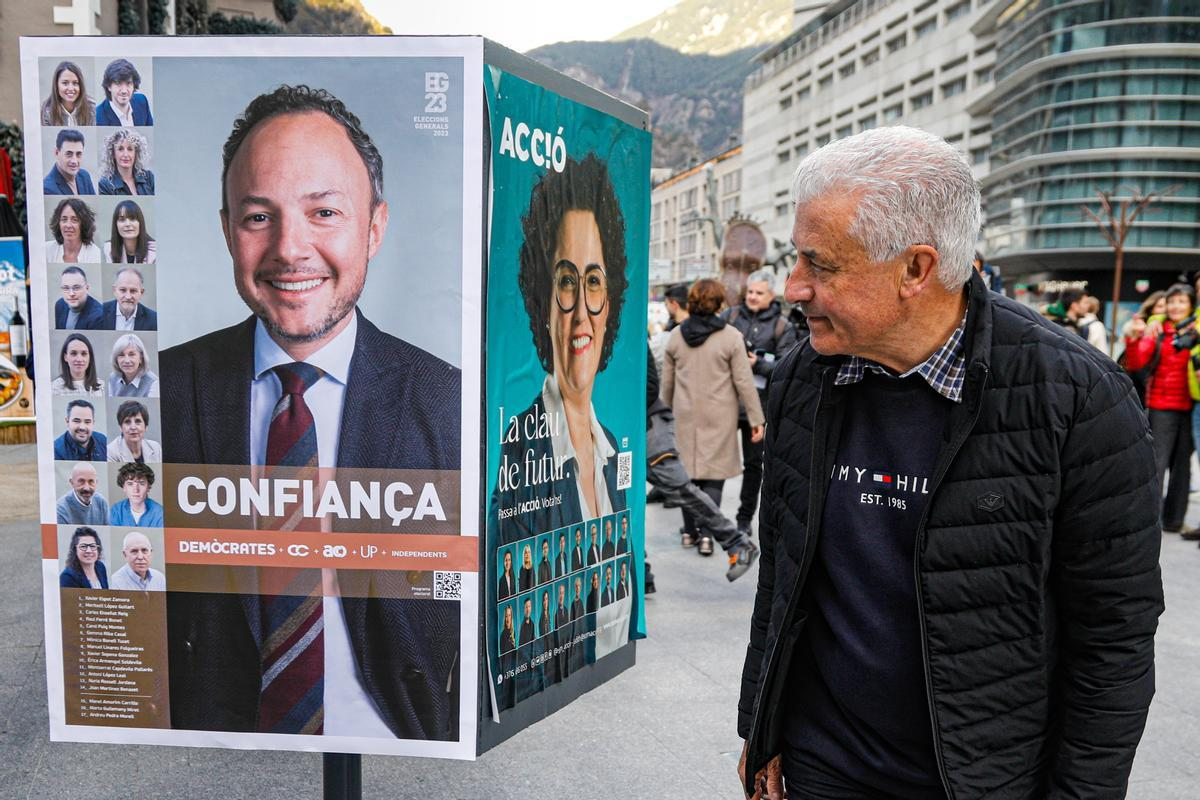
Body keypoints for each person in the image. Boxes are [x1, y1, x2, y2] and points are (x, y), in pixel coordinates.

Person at [738, 126, 1163, 800]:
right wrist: (760, 729)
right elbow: (784, 578)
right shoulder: (802, 380)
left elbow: (1113, 642)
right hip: (821, 768)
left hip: (978, 783)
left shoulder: (1078, 399)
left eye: (820, 264)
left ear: (916, 269)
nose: (793, 287)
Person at [161, 85, 461, 740]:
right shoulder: (156, 395)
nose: (290, 249)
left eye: (324, 211)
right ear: (225, 230)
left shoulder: (450, 402)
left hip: (398, 753)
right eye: (258, 217)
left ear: (375, 226)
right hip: (210, 764)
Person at [490, 153, 631, 549]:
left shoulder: (612, 447)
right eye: (567, 282)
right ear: (543, 302)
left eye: (595, 282)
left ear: (611, 300)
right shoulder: (521, 448)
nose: (583, 312)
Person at [662, 278, 765, 556]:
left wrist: (662, 418)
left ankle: (689, 533)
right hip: (720, 416)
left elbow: (667, 385)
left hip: (684, 416)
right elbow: (745, 382)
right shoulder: (732, 337)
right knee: (713, 478)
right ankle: (707, 536)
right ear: (720, 304)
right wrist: (757, 419)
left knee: (688, 477)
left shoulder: (676, 336)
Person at [646, 341, 758, 581]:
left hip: (650, 424)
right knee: (622, 498)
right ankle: (640, 572)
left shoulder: (634, 329)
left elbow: (653, 387)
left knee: (679, 488)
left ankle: (736, 543)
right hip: (646, 422)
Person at [722, 269, 798, 536]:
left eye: (758, 293)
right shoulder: (729, 317)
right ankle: (710, 521)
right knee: (716, 461)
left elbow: (787, 367)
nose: (752, 297)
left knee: (754, 467)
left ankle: (744, 519)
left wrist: (759, 364)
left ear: (771, 294)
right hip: (725, 404)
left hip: (760, 408)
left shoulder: (782, 326)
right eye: (750, 292)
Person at [1124, 282, 1195, 534]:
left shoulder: (1195, 329)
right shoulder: (1158, 329)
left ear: (1191, 305)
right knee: (1156, 464)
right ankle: (1147, 520)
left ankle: (1174, 521)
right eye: (1172, 301)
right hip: (1162, 405)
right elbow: (1137, 361)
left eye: (1182, 302)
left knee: (1183, 469)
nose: (1176, 306)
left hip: (1191, 407)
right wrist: (1133, 337)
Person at [95, 59, 154, 126]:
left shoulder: (142, 101)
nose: (124, 91)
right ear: (109, 86)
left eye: (128, 83)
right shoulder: (98, 117)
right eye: (118, 83)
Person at [98, 128, 155, 196]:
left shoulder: (148, 177)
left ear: (136, 153)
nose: (125, 154)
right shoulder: (105, 185)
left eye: (130, 149)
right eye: (120, 149)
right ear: (113, 154)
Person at [45, 198, 102, 264]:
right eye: (64, 220)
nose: (68, 225)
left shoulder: (95, 253)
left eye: (74, 220)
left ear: (83, 224)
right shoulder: (46, 250)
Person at [108, 461, 164, 527]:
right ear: (124, 487)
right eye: (130, 484)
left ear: (148, 487)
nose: (136, 490)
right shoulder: (116, 510)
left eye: (141, 483)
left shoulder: (160, 512)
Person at [41, 61, 95, 127]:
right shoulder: (47, 111)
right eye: (65, 83)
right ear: (56, 85)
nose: (71, 88)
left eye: (75, 83)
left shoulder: (92, 108)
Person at [106, 333, 159, 398]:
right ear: (116, 359)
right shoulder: (113, 378)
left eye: (131, 354)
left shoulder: (153, 383)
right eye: (121, 355)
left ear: (141, 358)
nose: (127, 361)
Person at [43, 129, 95, 195]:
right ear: (56, 153)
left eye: (78, 154)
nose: (74, 161)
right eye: (69, 154)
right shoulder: (47, 188)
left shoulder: (84, 176)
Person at [1061, 288, 1110, 354]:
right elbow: (1102, 354)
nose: (1088, 306)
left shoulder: (1057, 325)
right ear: (1074, 306)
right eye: (1085, 303)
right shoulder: (1071, 328)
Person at [55, 266, 105, 330]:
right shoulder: (59, 304)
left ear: (87, 288)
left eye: (76, 288)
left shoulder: (99, 316)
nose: (71, 294)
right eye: (66, 288)